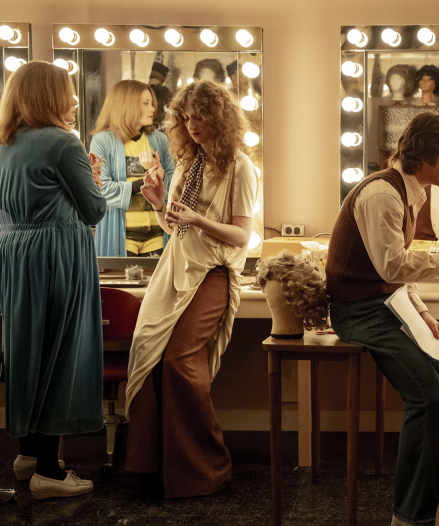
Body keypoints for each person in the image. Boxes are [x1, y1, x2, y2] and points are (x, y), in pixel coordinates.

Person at [325, 111, 439, 526]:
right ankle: (411, 515)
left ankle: (433, 500)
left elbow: (394, 273)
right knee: (429, 396)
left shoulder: (409, 191)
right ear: (425, 157)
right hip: (357, 312)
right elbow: (391, 267)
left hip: (385, 306)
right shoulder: (382, 194)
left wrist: (422, 310)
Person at [124, 79, 258, 498]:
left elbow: (240, 237)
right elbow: (174, 227)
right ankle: (151, 468)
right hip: (174, 268)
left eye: (200, 116)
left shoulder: (240, 167)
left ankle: (206, 468)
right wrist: (160, 202)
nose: (192, 124)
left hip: (213, 273)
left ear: (219, 118)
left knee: (180, 359)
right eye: (186, 117)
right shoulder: (189, 162)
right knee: (147, 354)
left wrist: (198, 220)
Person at [0, 61, 106, 498]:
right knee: (62, 354)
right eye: (66, 90)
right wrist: (94, 180)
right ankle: (50, 472)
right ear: (50, 95)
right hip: (57, 256)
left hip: (15, 254)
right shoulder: (62, 143)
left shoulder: (6, 142)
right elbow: (95, 209)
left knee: (27, 350)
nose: (73, 99)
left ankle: (28, 455)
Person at [91, 80, 176, 257]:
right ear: (126, 105)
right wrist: (145, 183)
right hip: (121, 236)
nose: (153, 109)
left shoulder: (160, 140)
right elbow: (101, 189)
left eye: (152, 103)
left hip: (158, 236)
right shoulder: (102, 141)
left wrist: (157, 173)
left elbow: (176, 189)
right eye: (146, 104)